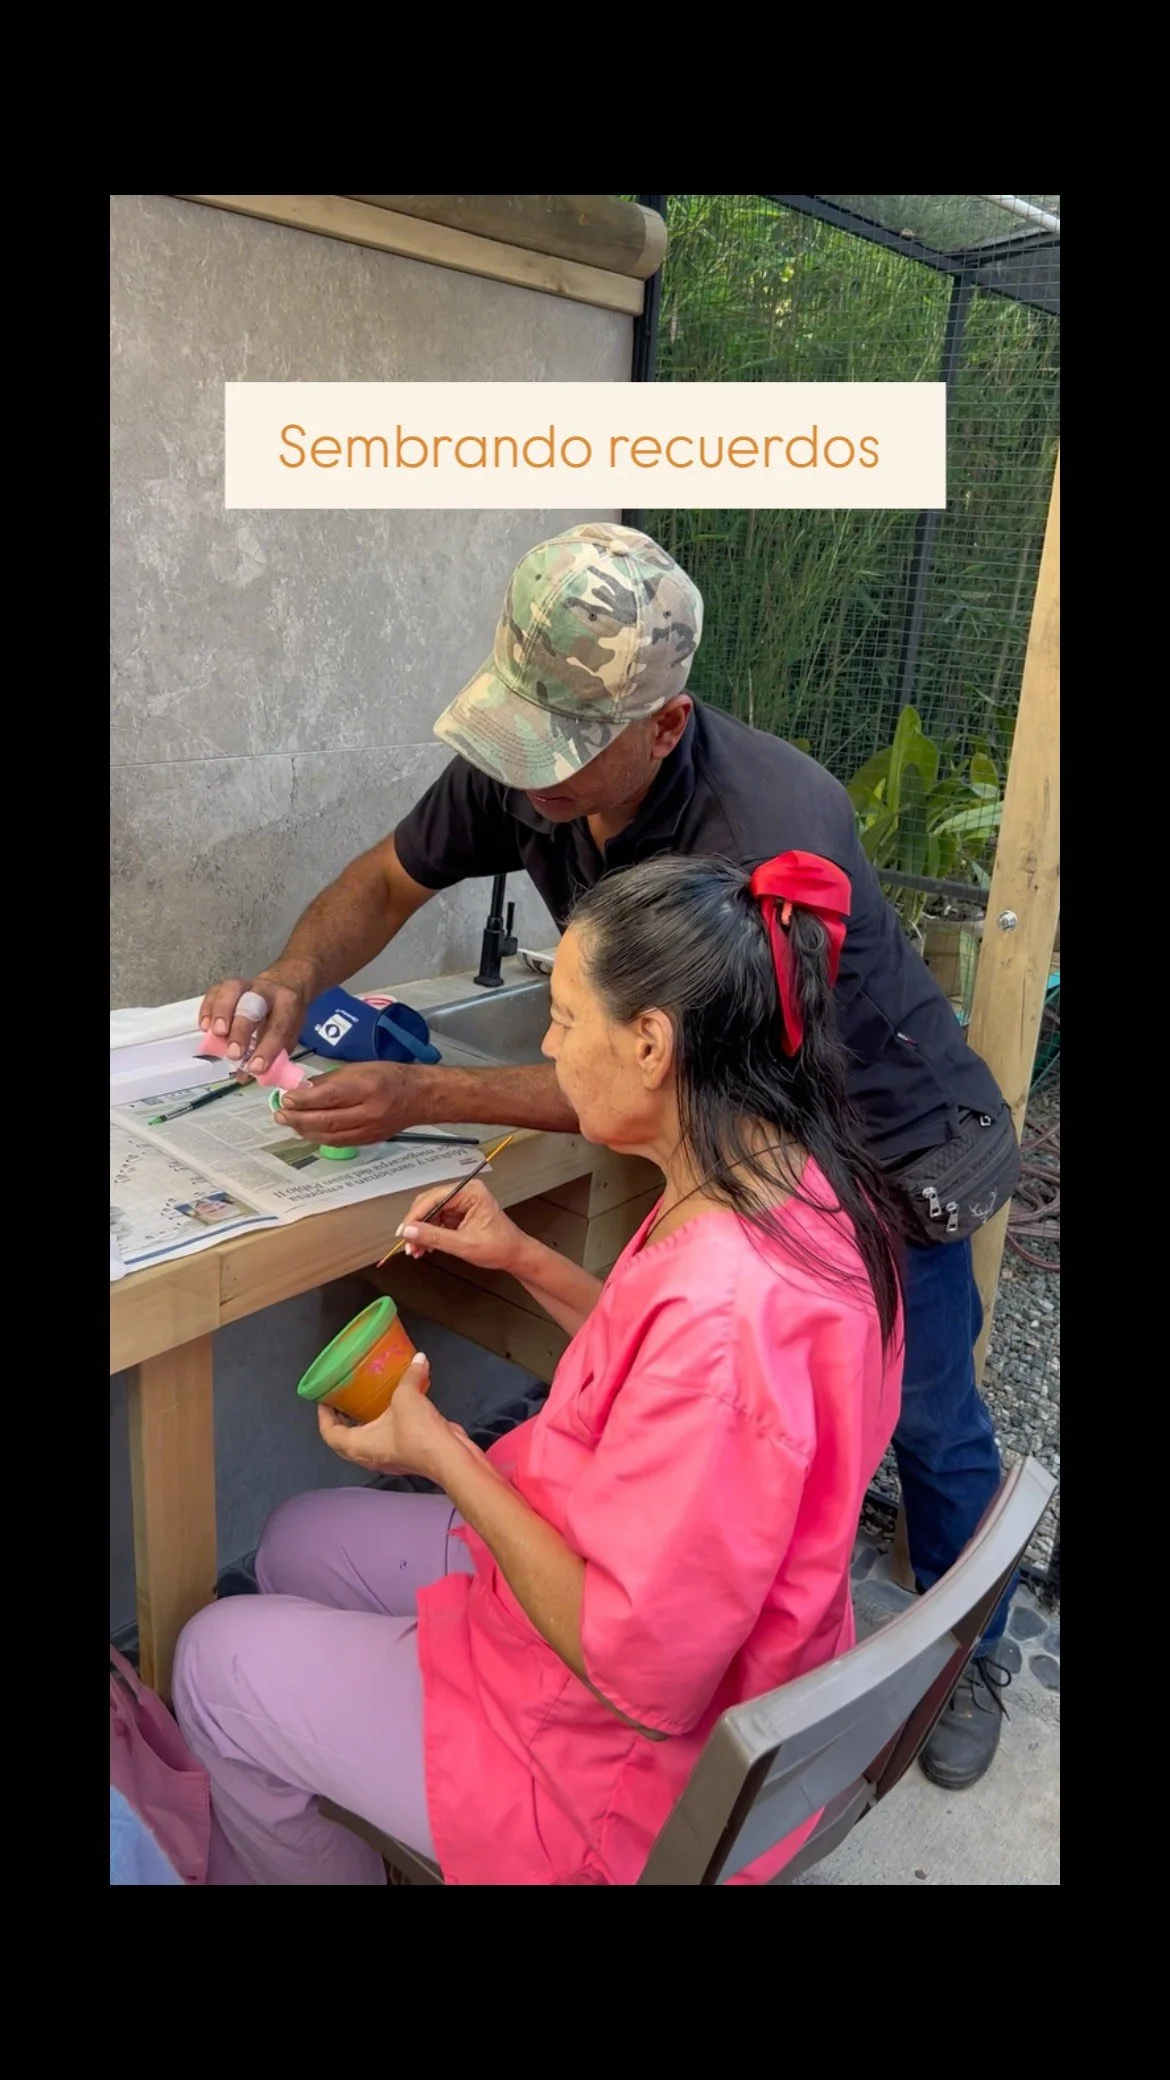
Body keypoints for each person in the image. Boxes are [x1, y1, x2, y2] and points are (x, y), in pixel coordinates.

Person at [199, 521, 1019, 1790]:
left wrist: (425, 1094)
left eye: (561, 754)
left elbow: (642, 1667)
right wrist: (297, 974)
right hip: (741, 1140)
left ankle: (972, 1661)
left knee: (925, 1414)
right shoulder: (539, 766)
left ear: (665, 725)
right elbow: (391, 877)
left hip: (888, 1132)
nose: (527, 782)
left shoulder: (765, 831)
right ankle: (736, 1580)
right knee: (736, 1400)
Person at [174, 851, 905, 1886]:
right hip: (703, 1638)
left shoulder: (726, 1313)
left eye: (563, 1019)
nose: (551, 1048)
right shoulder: (790, 1187)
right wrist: (523, 1256)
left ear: (650, 1044)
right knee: (294, 1536)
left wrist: (437, 1449)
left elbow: (636, 1673)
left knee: (211, 1663)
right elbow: (668, 1380)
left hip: (607, 1771)